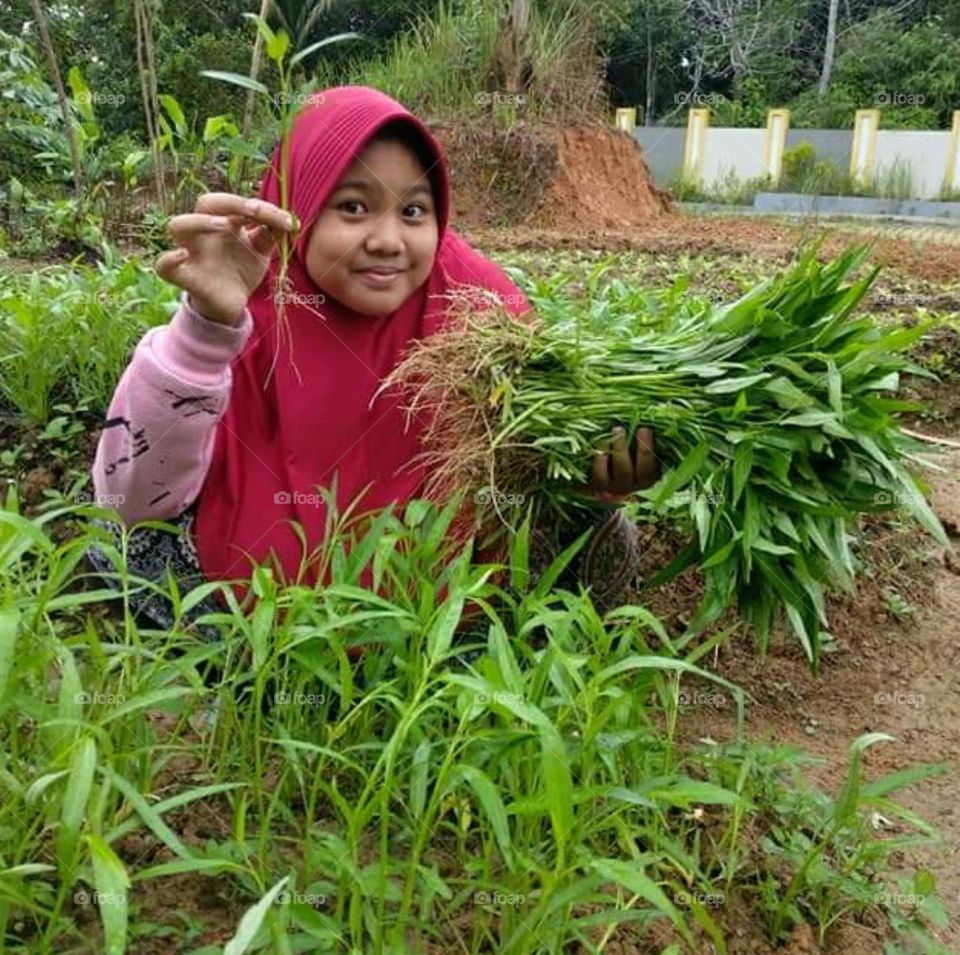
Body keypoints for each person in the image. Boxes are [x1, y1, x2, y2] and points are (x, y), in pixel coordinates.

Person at [87, 85, 658, 634]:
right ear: (297, 207)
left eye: (414, 211)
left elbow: (534, 469)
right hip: (245, 614)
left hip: (446, 618)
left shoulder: (476, 306)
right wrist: (205, 330)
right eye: (354, 207)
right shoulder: (253, 304)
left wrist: (597, 482)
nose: (388, 239)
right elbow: (128, 501)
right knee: (120, 548)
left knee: (606, 530)